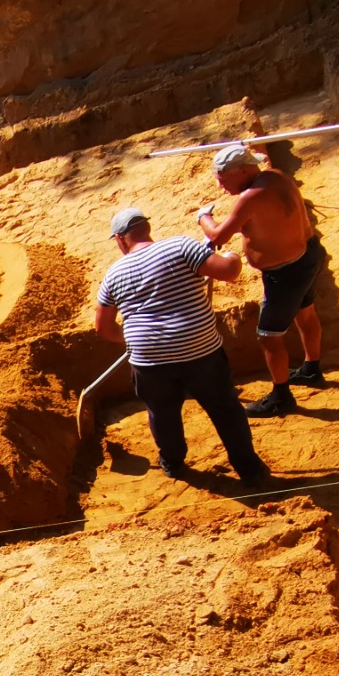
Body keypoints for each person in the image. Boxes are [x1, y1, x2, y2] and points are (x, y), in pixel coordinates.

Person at [94, 206, 271, 486]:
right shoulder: (181, 246)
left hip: (149, 359)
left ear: (120, 239)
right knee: (225, 408)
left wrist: (134, 338)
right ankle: (249, 469)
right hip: (200, 350)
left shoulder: (113, 274)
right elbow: (228, 271)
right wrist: (232, 256)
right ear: (146, 228)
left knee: (162, 412)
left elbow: (103, 327)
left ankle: (173, 463)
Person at [197, 143, 324, 417]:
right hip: (307, 256)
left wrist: (204, 217)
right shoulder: (277, 176)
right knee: (306, 313)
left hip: (285, 274)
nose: (221, 187)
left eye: (223, 179)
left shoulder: (250, 198)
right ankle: (311, 369)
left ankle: (281, 397)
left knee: (268, 338)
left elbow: (217, 237)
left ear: (243, 170)